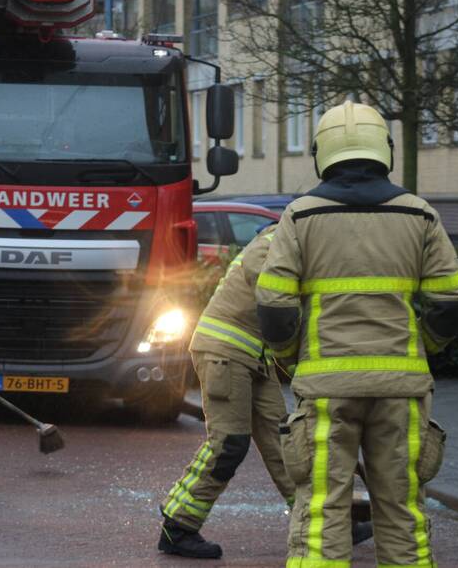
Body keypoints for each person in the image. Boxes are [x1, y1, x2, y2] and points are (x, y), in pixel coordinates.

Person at [256, 101, 458, 567]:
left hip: (326, 390)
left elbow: (273, 305)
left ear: (320, 153)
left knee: (323, 510)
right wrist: (424, 349)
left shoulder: (301, 217)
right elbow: (451, 301)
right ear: (384, 150)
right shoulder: (421, 216)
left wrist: (294, 356)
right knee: (402, 509)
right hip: (402, 391)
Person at [158, 224, 372, 560]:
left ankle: (322, 523)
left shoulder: (301, 245)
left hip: (256, 358)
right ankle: (178, 524)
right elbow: (277, 301)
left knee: (286, 444)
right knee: (229, 443)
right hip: (224, 354)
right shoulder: (275, 243)